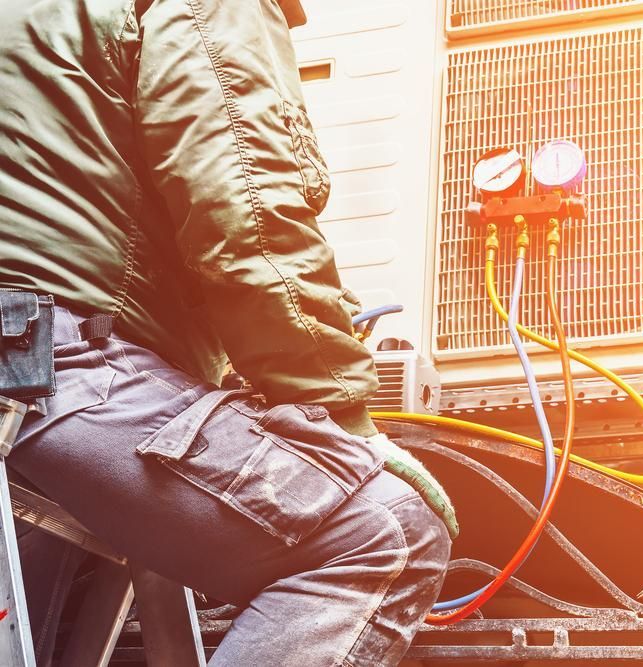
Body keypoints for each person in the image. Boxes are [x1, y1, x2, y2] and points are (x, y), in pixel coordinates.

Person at [0, 0, 457, 664]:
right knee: (383, 532)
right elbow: (244, 208)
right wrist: (342, 417)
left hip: (34, 365)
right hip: (42, 356)